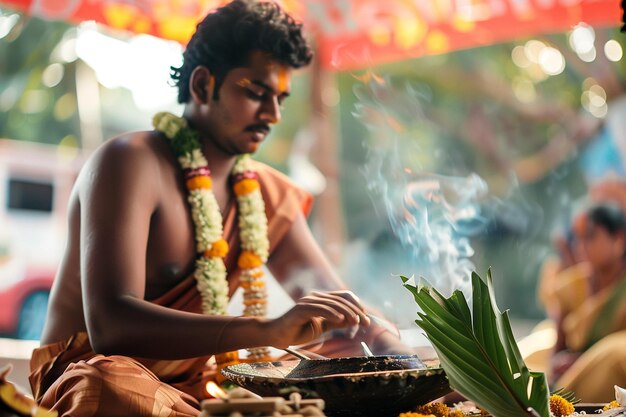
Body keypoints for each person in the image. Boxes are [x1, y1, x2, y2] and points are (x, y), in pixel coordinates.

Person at [29, 2, 409, 416]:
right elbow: (109, 327)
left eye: (281, 98)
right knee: (105, 386)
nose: (273, 115)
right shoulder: (130, 162)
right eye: (256, 93)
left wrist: (398, 354)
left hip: (196, 389)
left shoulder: (265, 192)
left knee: (325, 365)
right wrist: (268, 330)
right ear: (202, 84)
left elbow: (337, 307)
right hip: (94, 378)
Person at [542, 203, 626, 401]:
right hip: (572, 379)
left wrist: (586, 361)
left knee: (615, 353)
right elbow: (557, 352)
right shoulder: (570, 286)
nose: (582, 246)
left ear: (619, 238)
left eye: (591, 236)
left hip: (615, 382)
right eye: (578, 238)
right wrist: (562, 362)